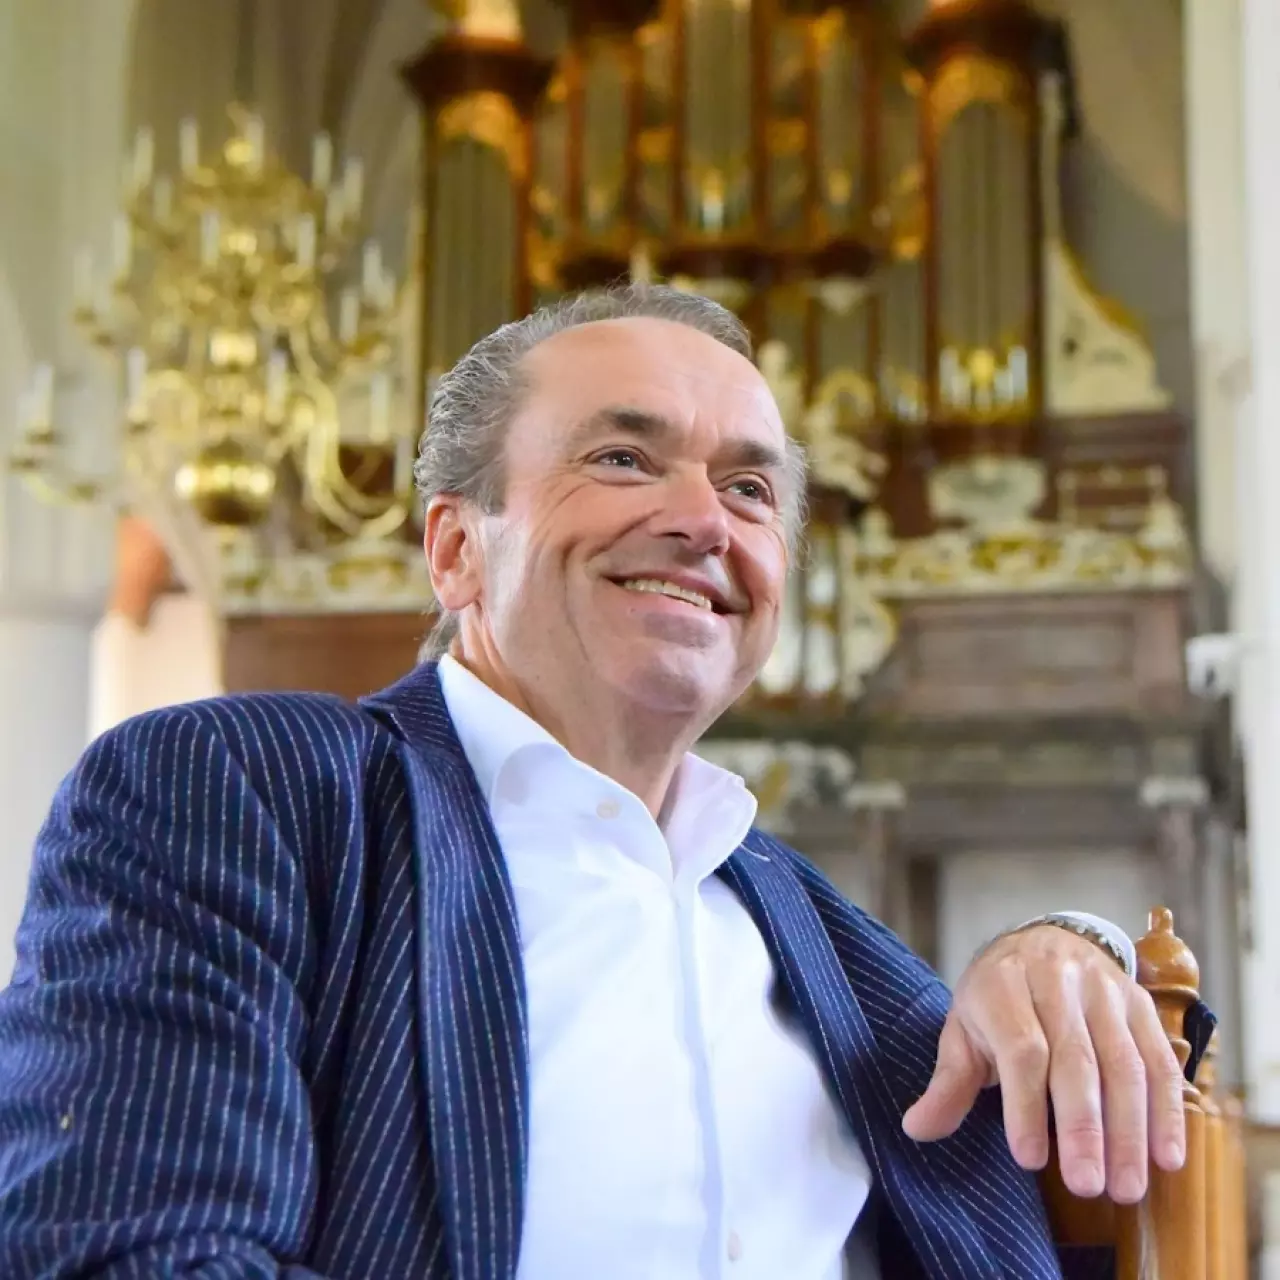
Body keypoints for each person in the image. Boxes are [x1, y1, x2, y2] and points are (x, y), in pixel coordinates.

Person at [0, 285, 1209, 1280]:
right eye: (623, 458)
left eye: (748, 489)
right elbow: (136, 1251)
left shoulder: (819, 936)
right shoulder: (245, 794)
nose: (704, 521)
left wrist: (1069, 943)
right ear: (456, 548)